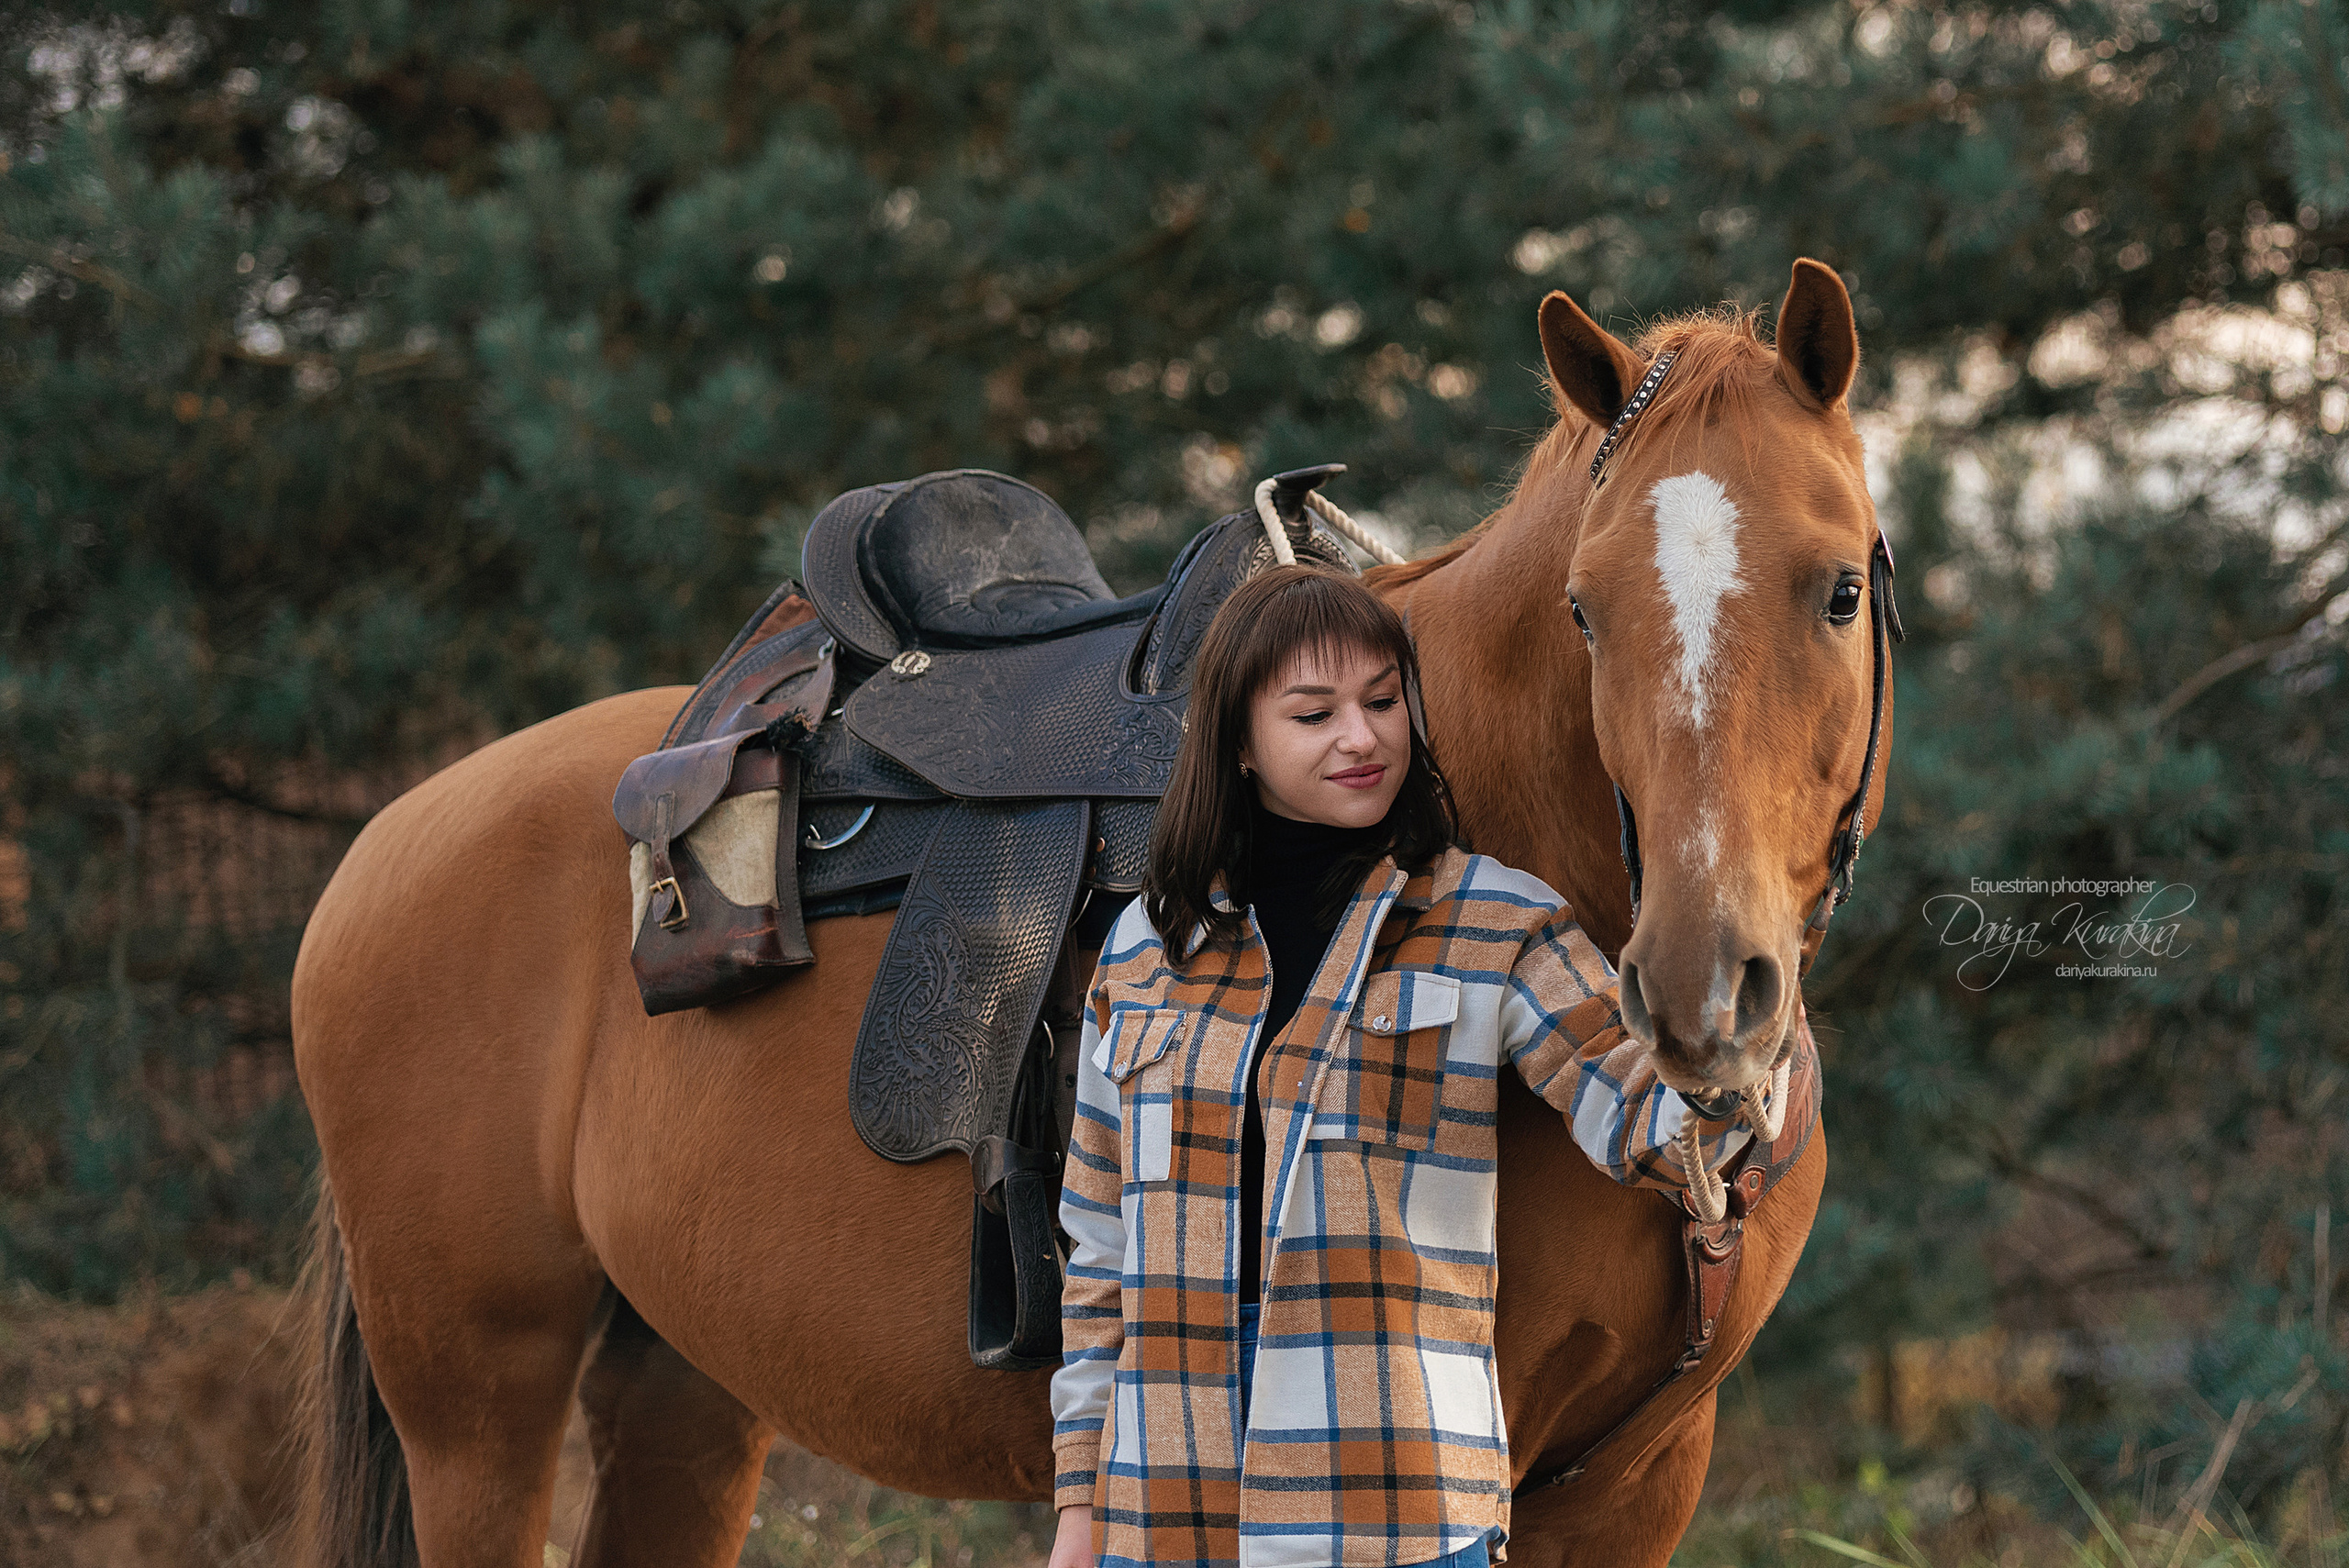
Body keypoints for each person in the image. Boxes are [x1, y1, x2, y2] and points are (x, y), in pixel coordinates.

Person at [1046, 564, 1803, 1568]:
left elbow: (1633, 1111)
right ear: (1237, 741)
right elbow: (1099, 1254)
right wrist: (1077, 1511)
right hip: (1165, 1509)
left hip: (1394, 1509)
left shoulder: (1495, 920)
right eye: (1313, 713)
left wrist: (1734, 1047)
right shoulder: (1149, 947)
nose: (1360, 738)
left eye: (1382, 700)